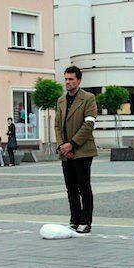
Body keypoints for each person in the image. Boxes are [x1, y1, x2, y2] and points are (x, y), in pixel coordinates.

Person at [55, 66, 97, 234]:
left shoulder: (88, 98)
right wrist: (62, 146)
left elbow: (89, 125)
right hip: (66, 152)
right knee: (70, 188)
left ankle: (86, 221)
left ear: (79, 80)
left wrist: (72, 144)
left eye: (71, 79)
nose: (67, 82)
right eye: (65, 79)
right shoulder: (61, 100)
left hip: (83, 150)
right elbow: (57, 125)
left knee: (83, 187)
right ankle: (74, 219)